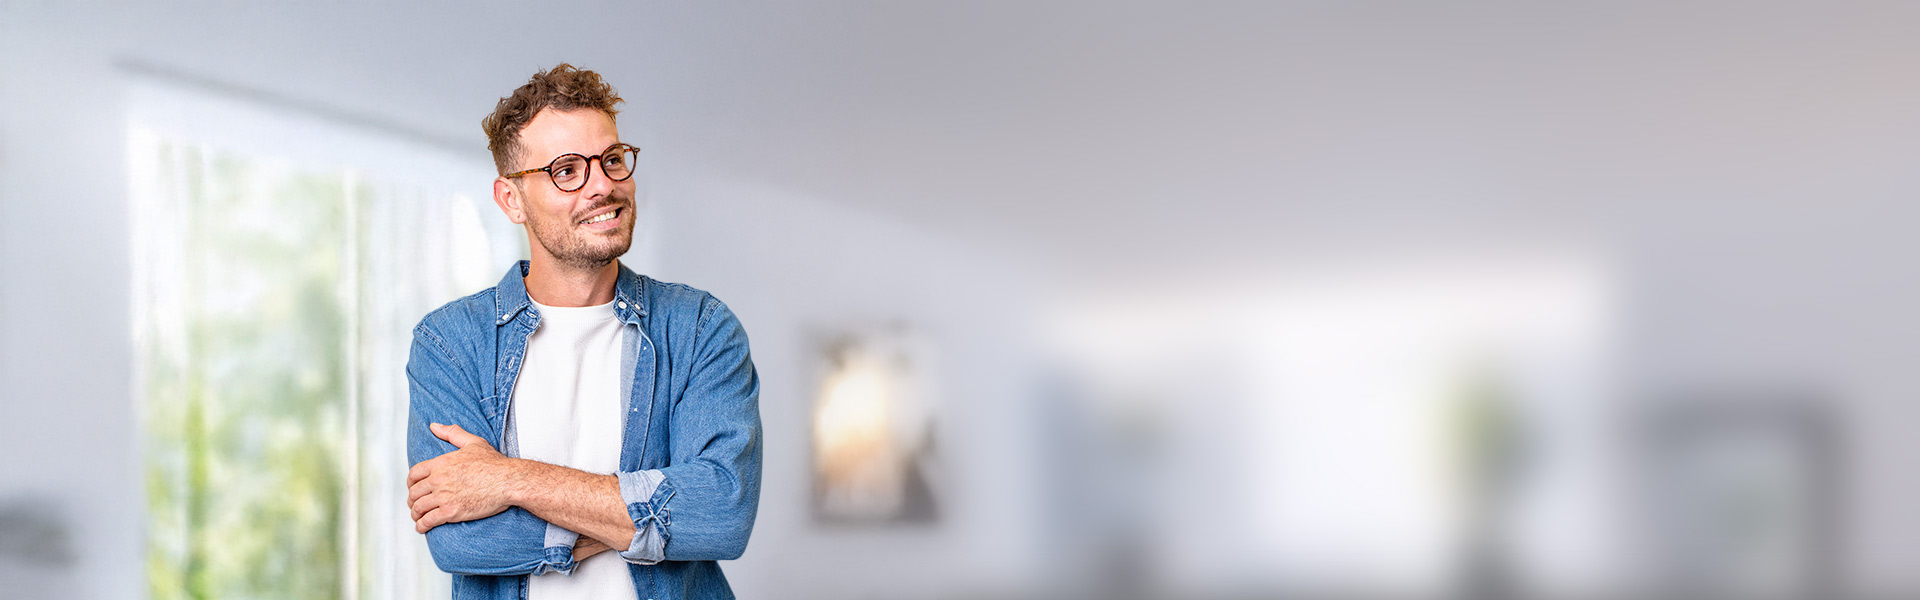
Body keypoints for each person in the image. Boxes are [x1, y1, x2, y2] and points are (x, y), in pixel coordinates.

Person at [404, 63, 761, 600]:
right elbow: (460, 541)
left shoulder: (701, 329)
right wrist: (642, 520)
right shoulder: (450, 342)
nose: (603, 186)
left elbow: (720, 515)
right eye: (568, 170)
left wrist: (508, 479)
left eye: (612, 160)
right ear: (511, 199)